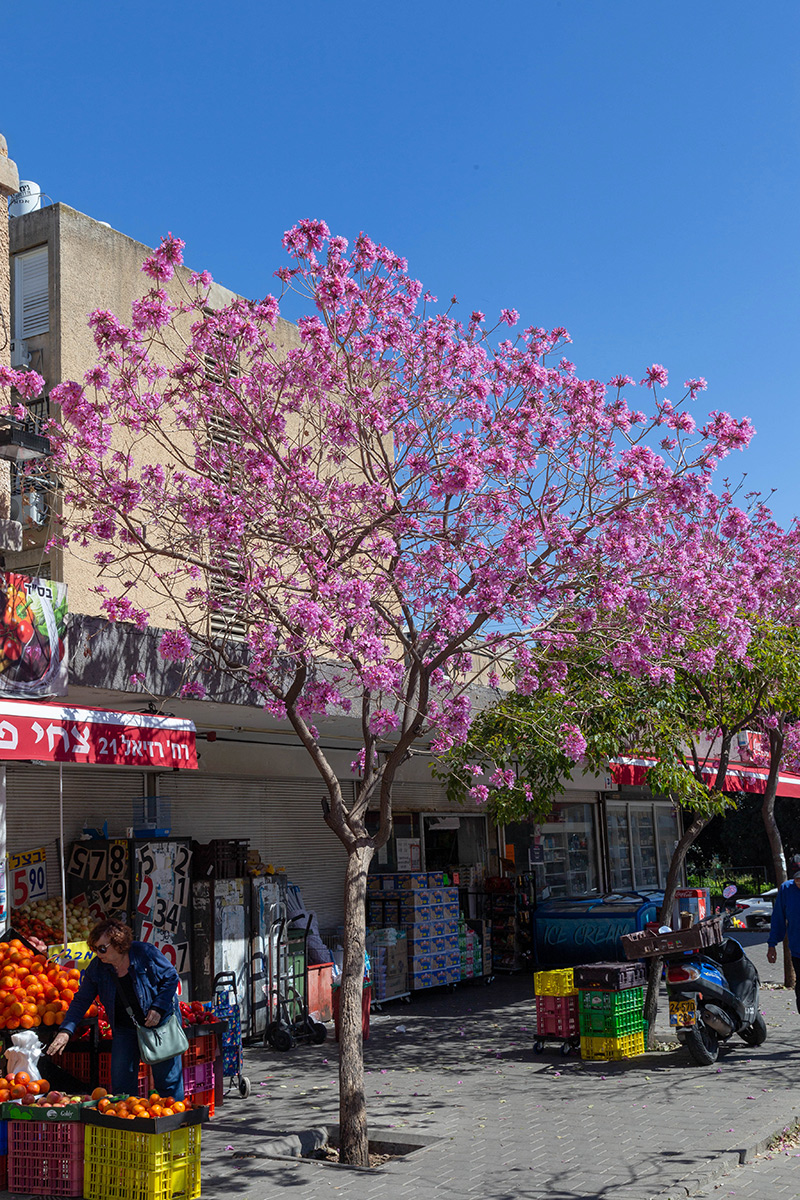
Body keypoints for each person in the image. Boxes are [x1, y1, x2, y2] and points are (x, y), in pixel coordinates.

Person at [48, 919, 184, 1099]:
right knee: (121, 1085)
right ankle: (128, 1125)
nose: (98, 953)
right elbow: (81, 1000)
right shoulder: (97, 968)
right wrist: (66, 1030)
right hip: (125, 1028)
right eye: (94, 949)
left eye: (102, 949)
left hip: (160, 1024)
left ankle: (175, 1123)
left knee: (168, 1082)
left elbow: (171, 977)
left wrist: (158, 1007)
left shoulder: (145, 953)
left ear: (119, 944)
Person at [767, 869, 800, 1013]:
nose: (798, 882)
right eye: (797, 880)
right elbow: (778, 918)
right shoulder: (787, 888)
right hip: (798, 950)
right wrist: (772, 944)